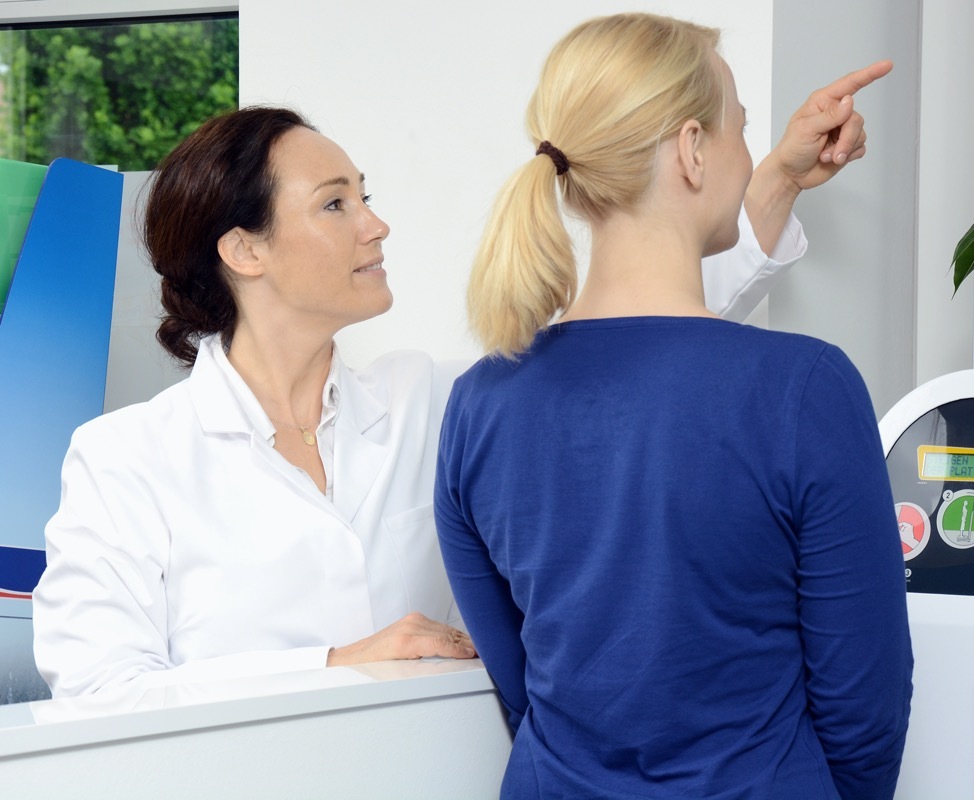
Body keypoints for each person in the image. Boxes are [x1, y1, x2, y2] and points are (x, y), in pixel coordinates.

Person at [32, 58, 887, 698]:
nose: (377, 224)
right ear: (243, 249)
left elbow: (626, 354)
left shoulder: (428, 402)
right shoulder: (125, 458)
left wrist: (773, 181)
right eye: (336, 204)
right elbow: (96, 694)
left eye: (365, 194)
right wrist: (335, 666)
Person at [434, 13, 912, 799]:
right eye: (741, 132)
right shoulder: (804, 388)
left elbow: (519, 684)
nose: (751, 155)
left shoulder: (479, 403)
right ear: (693, 150)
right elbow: (865, 701)